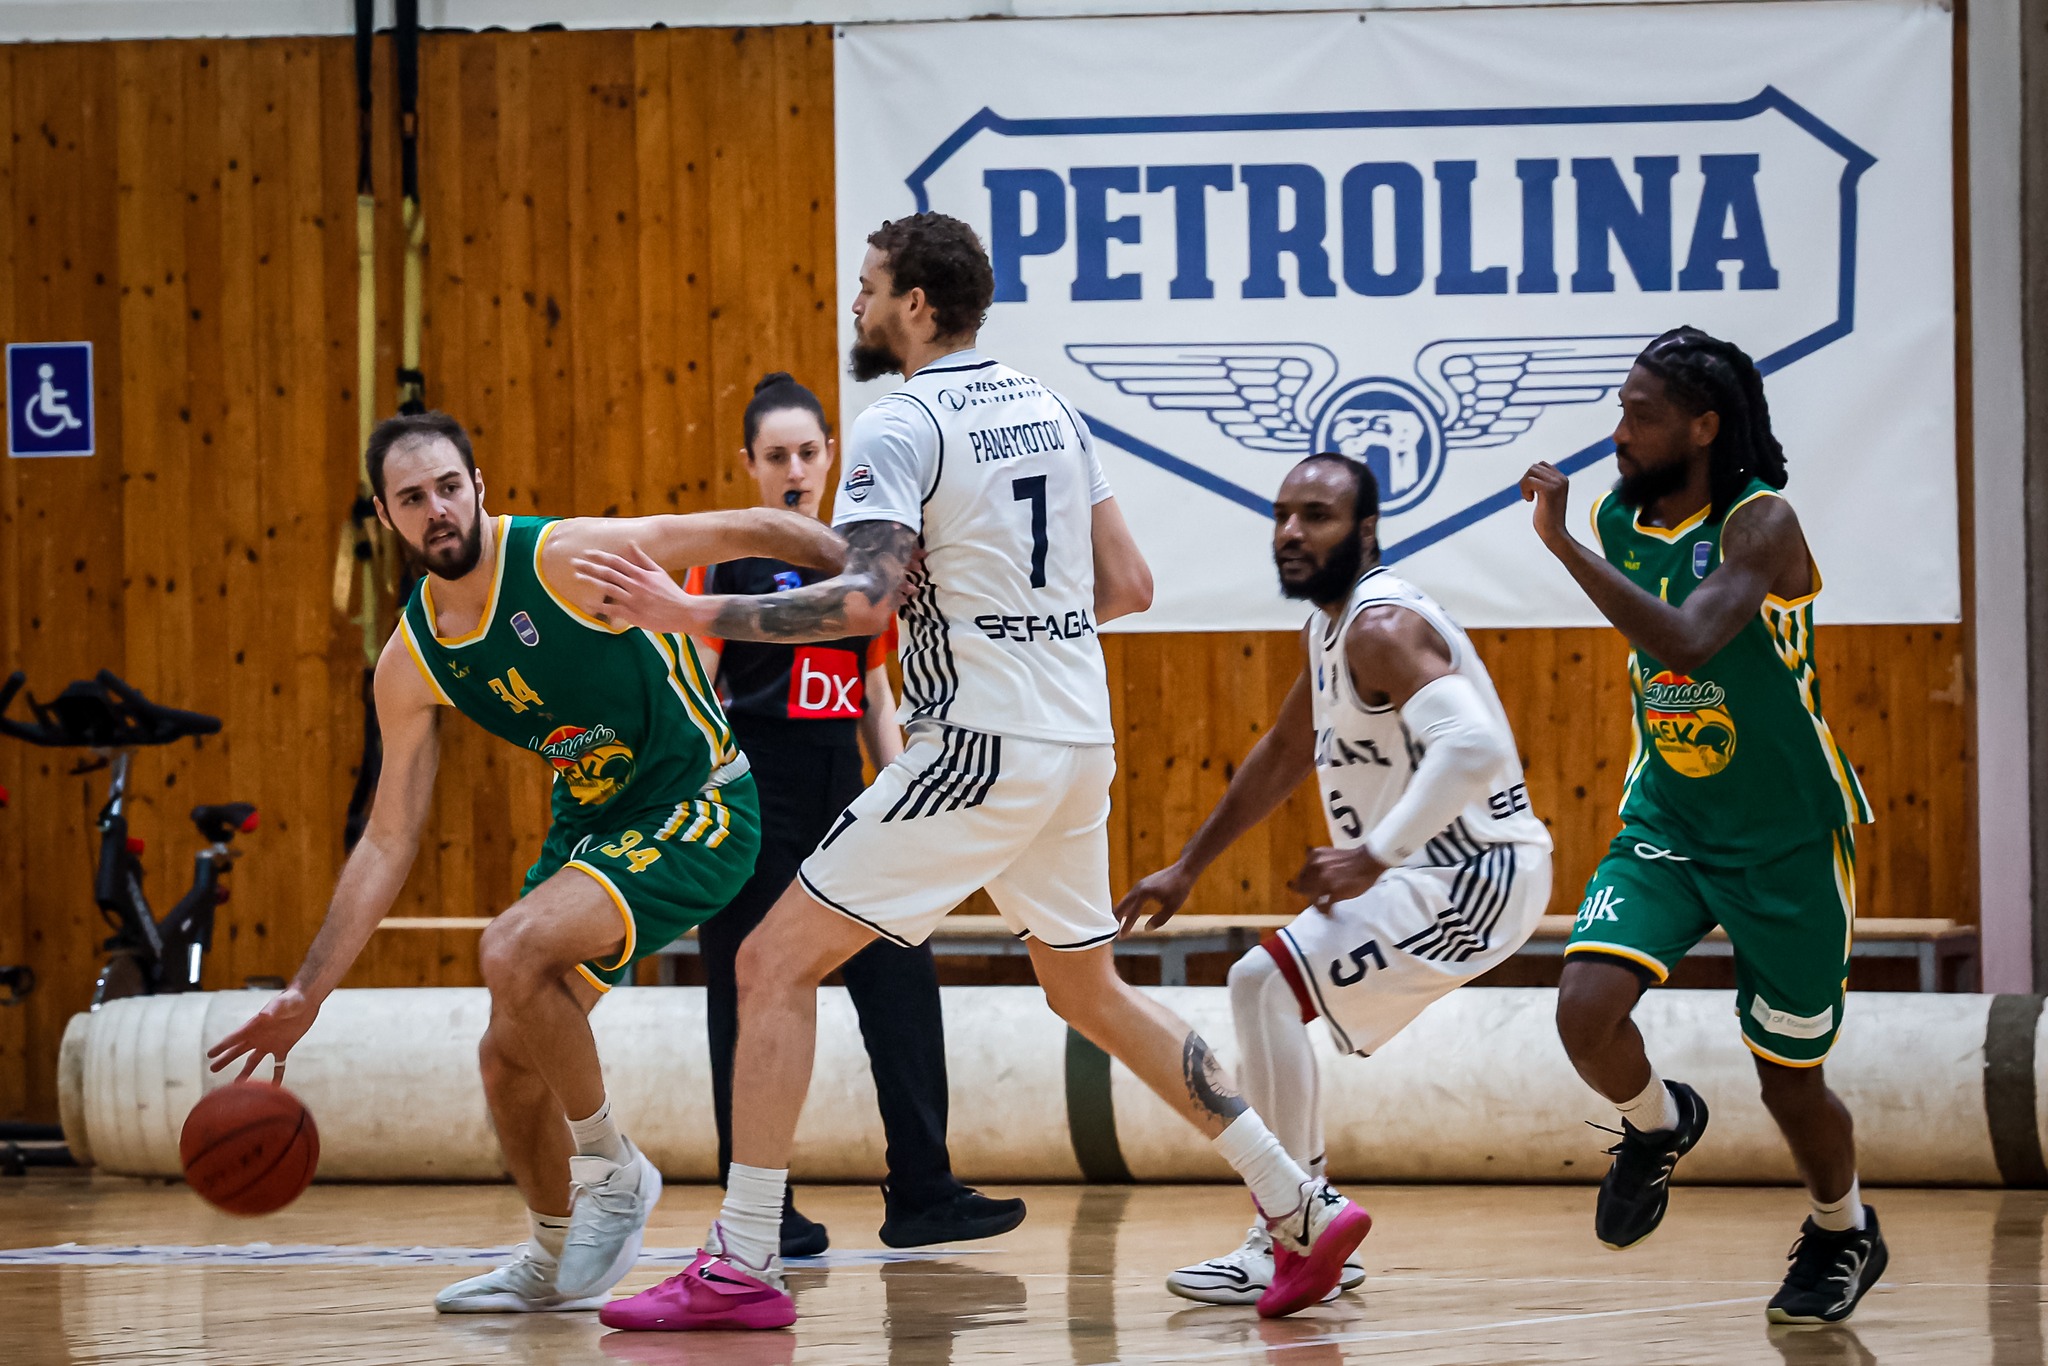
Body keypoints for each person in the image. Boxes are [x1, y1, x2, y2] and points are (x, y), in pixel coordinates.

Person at [573, 211, 1372, 1332]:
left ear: (913, 303)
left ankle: (743, 1258)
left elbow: (860, 603)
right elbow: (1130, 584)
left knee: (768, 961)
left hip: (977, 748)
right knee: (1088, 991)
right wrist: (1018, 629)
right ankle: (1296, 1197)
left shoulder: (901, 421)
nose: (856, 305)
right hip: (1076, 740)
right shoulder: (1052, 409)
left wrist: (687, 609)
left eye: (867, 287)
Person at [206, 411, 846, 1315]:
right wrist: (308, 994)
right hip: (591, 830)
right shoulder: (411, 659)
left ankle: (612, 1174)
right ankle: (551, 1254)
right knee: (506, 1063)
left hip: (700, 802)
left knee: (509, 948)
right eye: (412, 498)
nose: (437, 509)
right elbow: (388, 837)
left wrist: (871, 568)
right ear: (386, 516)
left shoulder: (562, 558)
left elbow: (746, 526)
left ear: (478, 485)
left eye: (448, 487)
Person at [1118, 453, 1553, 1306]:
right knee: (1260, 985)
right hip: (1434, 870)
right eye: (1282, 515)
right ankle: (1304, 1223)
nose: (1290, 532)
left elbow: (1474, 747)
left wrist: (1372, 855)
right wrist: (1189, 865)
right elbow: (1286, 750)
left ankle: (1294, 1225)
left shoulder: (1381, 627)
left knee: (1263, 981)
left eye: (1315, 516)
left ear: (1366, 531)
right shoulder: (1330, 629)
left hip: (1478, 874)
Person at [1520, 327, 1886, 1324]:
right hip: (1670, 818)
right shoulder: (1620, 515)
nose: (1618, 433)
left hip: (1786, 838)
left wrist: (1560, 547)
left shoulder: (1760, 524)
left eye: (1640, 416)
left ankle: (1842, 1227)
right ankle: (1655, 1124)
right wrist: (1586, 538)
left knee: (1789, 1086)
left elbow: (1686, 638)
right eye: (1619, 410)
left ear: (1703, 426)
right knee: (1583, 1009)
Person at [684, 371, 1025, 1255]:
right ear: (750, 464)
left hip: (846, 796)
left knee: (901, 970)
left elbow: (876, 696)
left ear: (831, 456)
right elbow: (698, 688)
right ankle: (761, 1207)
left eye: (807, 452)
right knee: (744, 994)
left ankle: (924, 1189)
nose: (795, 470)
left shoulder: (862, 560)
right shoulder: (724, 563)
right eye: (776, 456)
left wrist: (911, 791)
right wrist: (700, 800)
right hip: (751, 798)